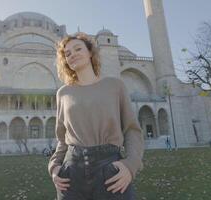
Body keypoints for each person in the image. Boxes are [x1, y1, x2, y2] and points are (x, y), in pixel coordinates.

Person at [48, 32, 144, 200]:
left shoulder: (115, 86)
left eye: (78, 49)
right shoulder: (63, 93)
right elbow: (62, 139)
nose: (72, 55)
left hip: (109, 169)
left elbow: (132, 130)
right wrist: (54, 166)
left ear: (90, 52)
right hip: (71, 173)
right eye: (67, 53)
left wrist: (131, 165)